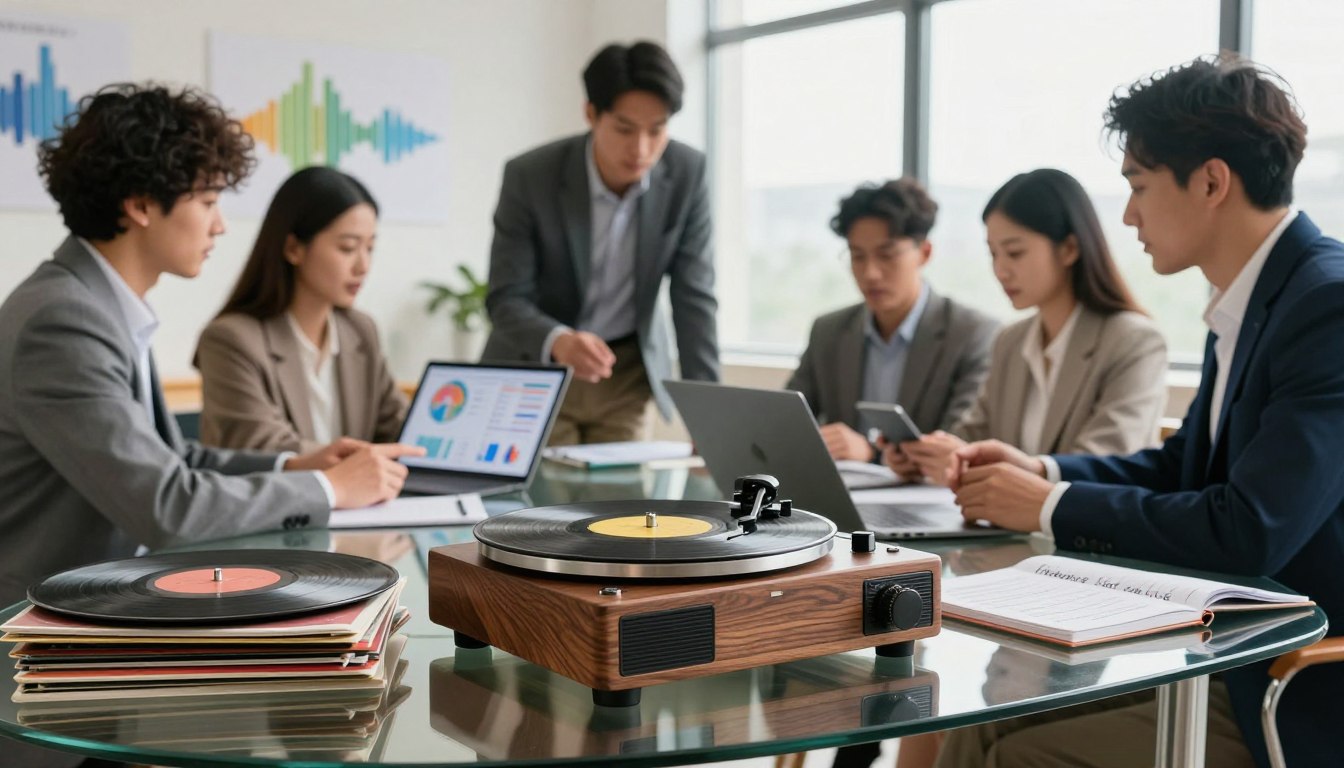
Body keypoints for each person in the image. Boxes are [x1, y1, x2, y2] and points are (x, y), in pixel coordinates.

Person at [936, 56, 1343, 768]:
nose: (1127, 215)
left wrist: (1048, 504)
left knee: (1015, 753)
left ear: (1212, 182)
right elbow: (1179, 467)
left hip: (1292, 678)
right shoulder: (1248, 303)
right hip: (1218, 648)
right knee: (976, 719)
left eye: (1138, 185)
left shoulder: (1325, 306)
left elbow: (1248, 530)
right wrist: (1043, 469)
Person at [0, 84, 421, 661]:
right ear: (142, 205)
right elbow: (169, 505)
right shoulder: (65, 321)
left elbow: (175, 460)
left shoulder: (95, 304)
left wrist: (296, 464)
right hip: (45, 649)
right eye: (208, 202)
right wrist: (329, 488)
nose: (220, 226)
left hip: (99, 621)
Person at [481, 40, 719, 445]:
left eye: (657, 130)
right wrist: (559, 340)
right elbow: (506, 297)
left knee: (623, 502)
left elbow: (694, 297)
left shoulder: (687, 173)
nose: (641, 149)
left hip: (625, 371)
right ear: (591, 113)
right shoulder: (531, 176)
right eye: (625, 129)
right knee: (545, 506)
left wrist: (709, 414)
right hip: (539, 370)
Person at [892, 169, 1167, 483]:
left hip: (1080, 529)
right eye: (993, 253)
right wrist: (924, 458)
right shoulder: (1011, 340)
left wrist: (979, 465)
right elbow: (974, 436)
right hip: (1004, 526)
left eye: (1014, 252)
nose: (1000, 270)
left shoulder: (1133, 341)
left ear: (1069, 249)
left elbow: (1103, 464)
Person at [194, 167, 408, 453]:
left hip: (361, 498)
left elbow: (398, 427)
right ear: (294, 248)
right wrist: (364, 466)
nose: (363, 266)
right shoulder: (231, 340)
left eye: (370, 248)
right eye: (347, 248)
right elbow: (262, 447)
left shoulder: (360, 330)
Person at [787, 179, 999, 463]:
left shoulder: (972, 334)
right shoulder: (829, 331)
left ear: (924, 253)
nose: (871, 273)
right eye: (857, 256)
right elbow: (787, 423)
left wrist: (871, 453)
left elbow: (958, 444)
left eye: (887, 255)